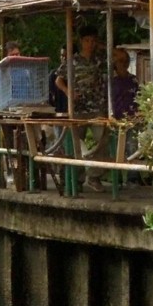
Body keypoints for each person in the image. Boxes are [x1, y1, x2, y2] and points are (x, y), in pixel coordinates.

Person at [54, 25, 108, 189]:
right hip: (78, 109)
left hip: (96, 107)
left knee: (103, 138)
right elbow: (58, 80)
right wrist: (69, 92)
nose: (90, 44)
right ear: (81, 42)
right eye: (86, 41)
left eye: (92, 41)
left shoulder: (100, 60)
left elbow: (117, 57)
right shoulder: (73, 61)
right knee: (77, 144)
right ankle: (77, 180)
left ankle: (94, 176)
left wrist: (102, 47)